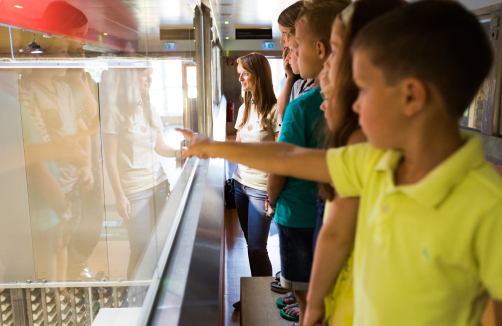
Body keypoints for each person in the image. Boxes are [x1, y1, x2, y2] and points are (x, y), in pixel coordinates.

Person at [178, 1, 502, 325]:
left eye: (364, 90)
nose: (355, 104)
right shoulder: (374, 162)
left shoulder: (488, 207)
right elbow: (288, 156)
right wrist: (213, 147)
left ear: (411, 97)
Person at [268, 1, 350, 324]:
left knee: (308, 290)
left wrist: (312, 305)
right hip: (315, 211)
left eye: (293, 44)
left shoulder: (304, 106)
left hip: (299, 211)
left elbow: (283, 159)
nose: (289, 52)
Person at [102, 66, 181, 279]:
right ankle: (135, 302)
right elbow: (109, 158)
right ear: (130, 78)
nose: (150, 80)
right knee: (139, 249)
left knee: (159, 246)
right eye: (145, 75)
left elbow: (160, 146)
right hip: (134, 191)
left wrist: (180, 153)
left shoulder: (149, 108)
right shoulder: (113, 112)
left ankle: (153, 299)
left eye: (151, 75)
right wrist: (120, 195)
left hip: (158, 184)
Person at [231, 52, 281, 309]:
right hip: (241, 184)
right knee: (251, 243)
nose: (240, 78)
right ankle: (255, 293)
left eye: (245, 73)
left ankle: (265, 298)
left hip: (261, 189)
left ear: (257, 75)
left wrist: (273, 193)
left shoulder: (274, 110)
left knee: (257, 247)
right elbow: (239, 148)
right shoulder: (244, 108)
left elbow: (279, 156)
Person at [277, 1, 305, 118]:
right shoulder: (297, 79)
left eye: (284, 33)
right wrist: (290, 77)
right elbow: (282, 112)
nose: (282, 40)